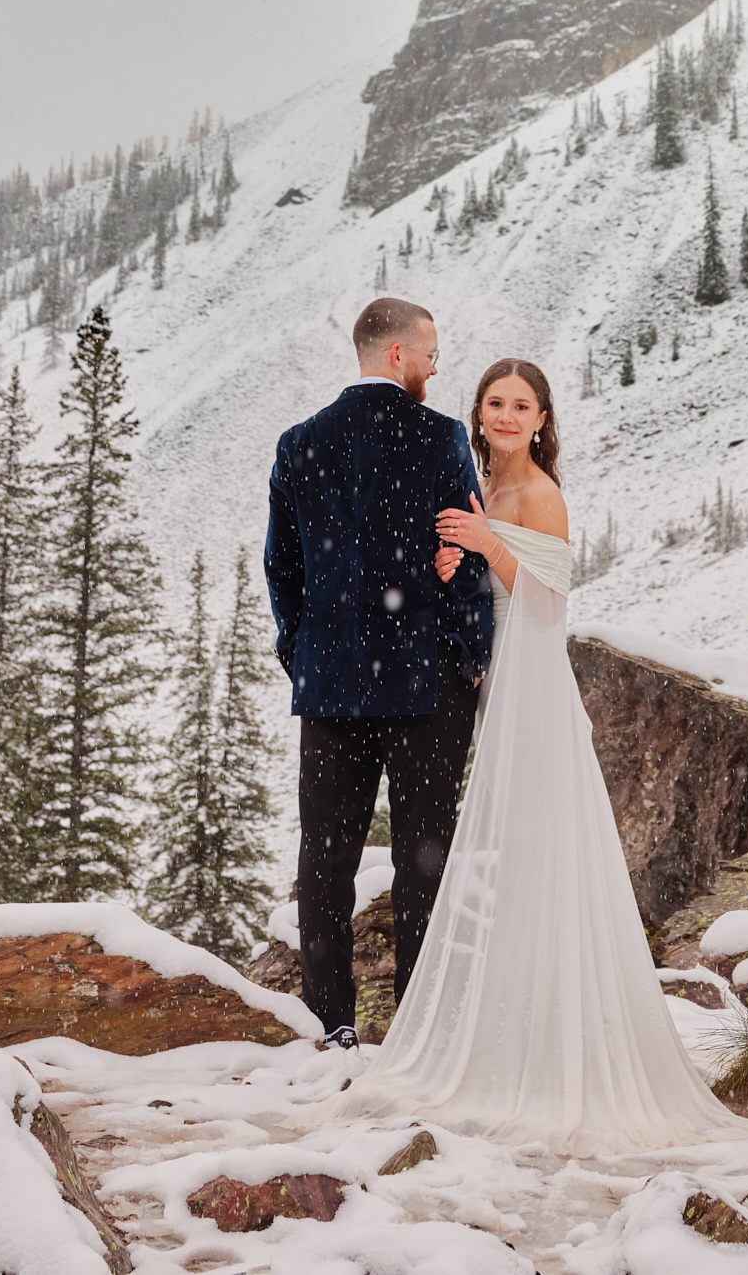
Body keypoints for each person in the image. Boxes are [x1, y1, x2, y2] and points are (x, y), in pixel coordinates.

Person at [337, 355, 737, 1154]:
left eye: (523, 405)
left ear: (543, 420)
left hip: (535, 690)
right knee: (511, 857)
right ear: (479, 413)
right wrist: (458, 562)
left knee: (544, 850)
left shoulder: (541, 496)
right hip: (495, 682)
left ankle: (556, 1053)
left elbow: (549, 608)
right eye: (495, 402)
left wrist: (487, 544)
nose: (508, 415)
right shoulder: (480, 484)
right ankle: (513, 1030)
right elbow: (478, 589)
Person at [264, 296, 494, 1051]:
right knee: (421, 852)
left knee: (323, 856)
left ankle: (330, 1023)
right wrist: (470, 653)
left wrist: (301, 653)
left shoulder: (299, 443)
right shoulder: (439, 437)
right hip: (423, 681)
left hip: (330, 682)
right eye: (429, 351)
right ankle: (418, 1030)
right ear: (397, 356)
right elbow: (464, 550)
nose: (435, 365)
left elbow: (281, 567)